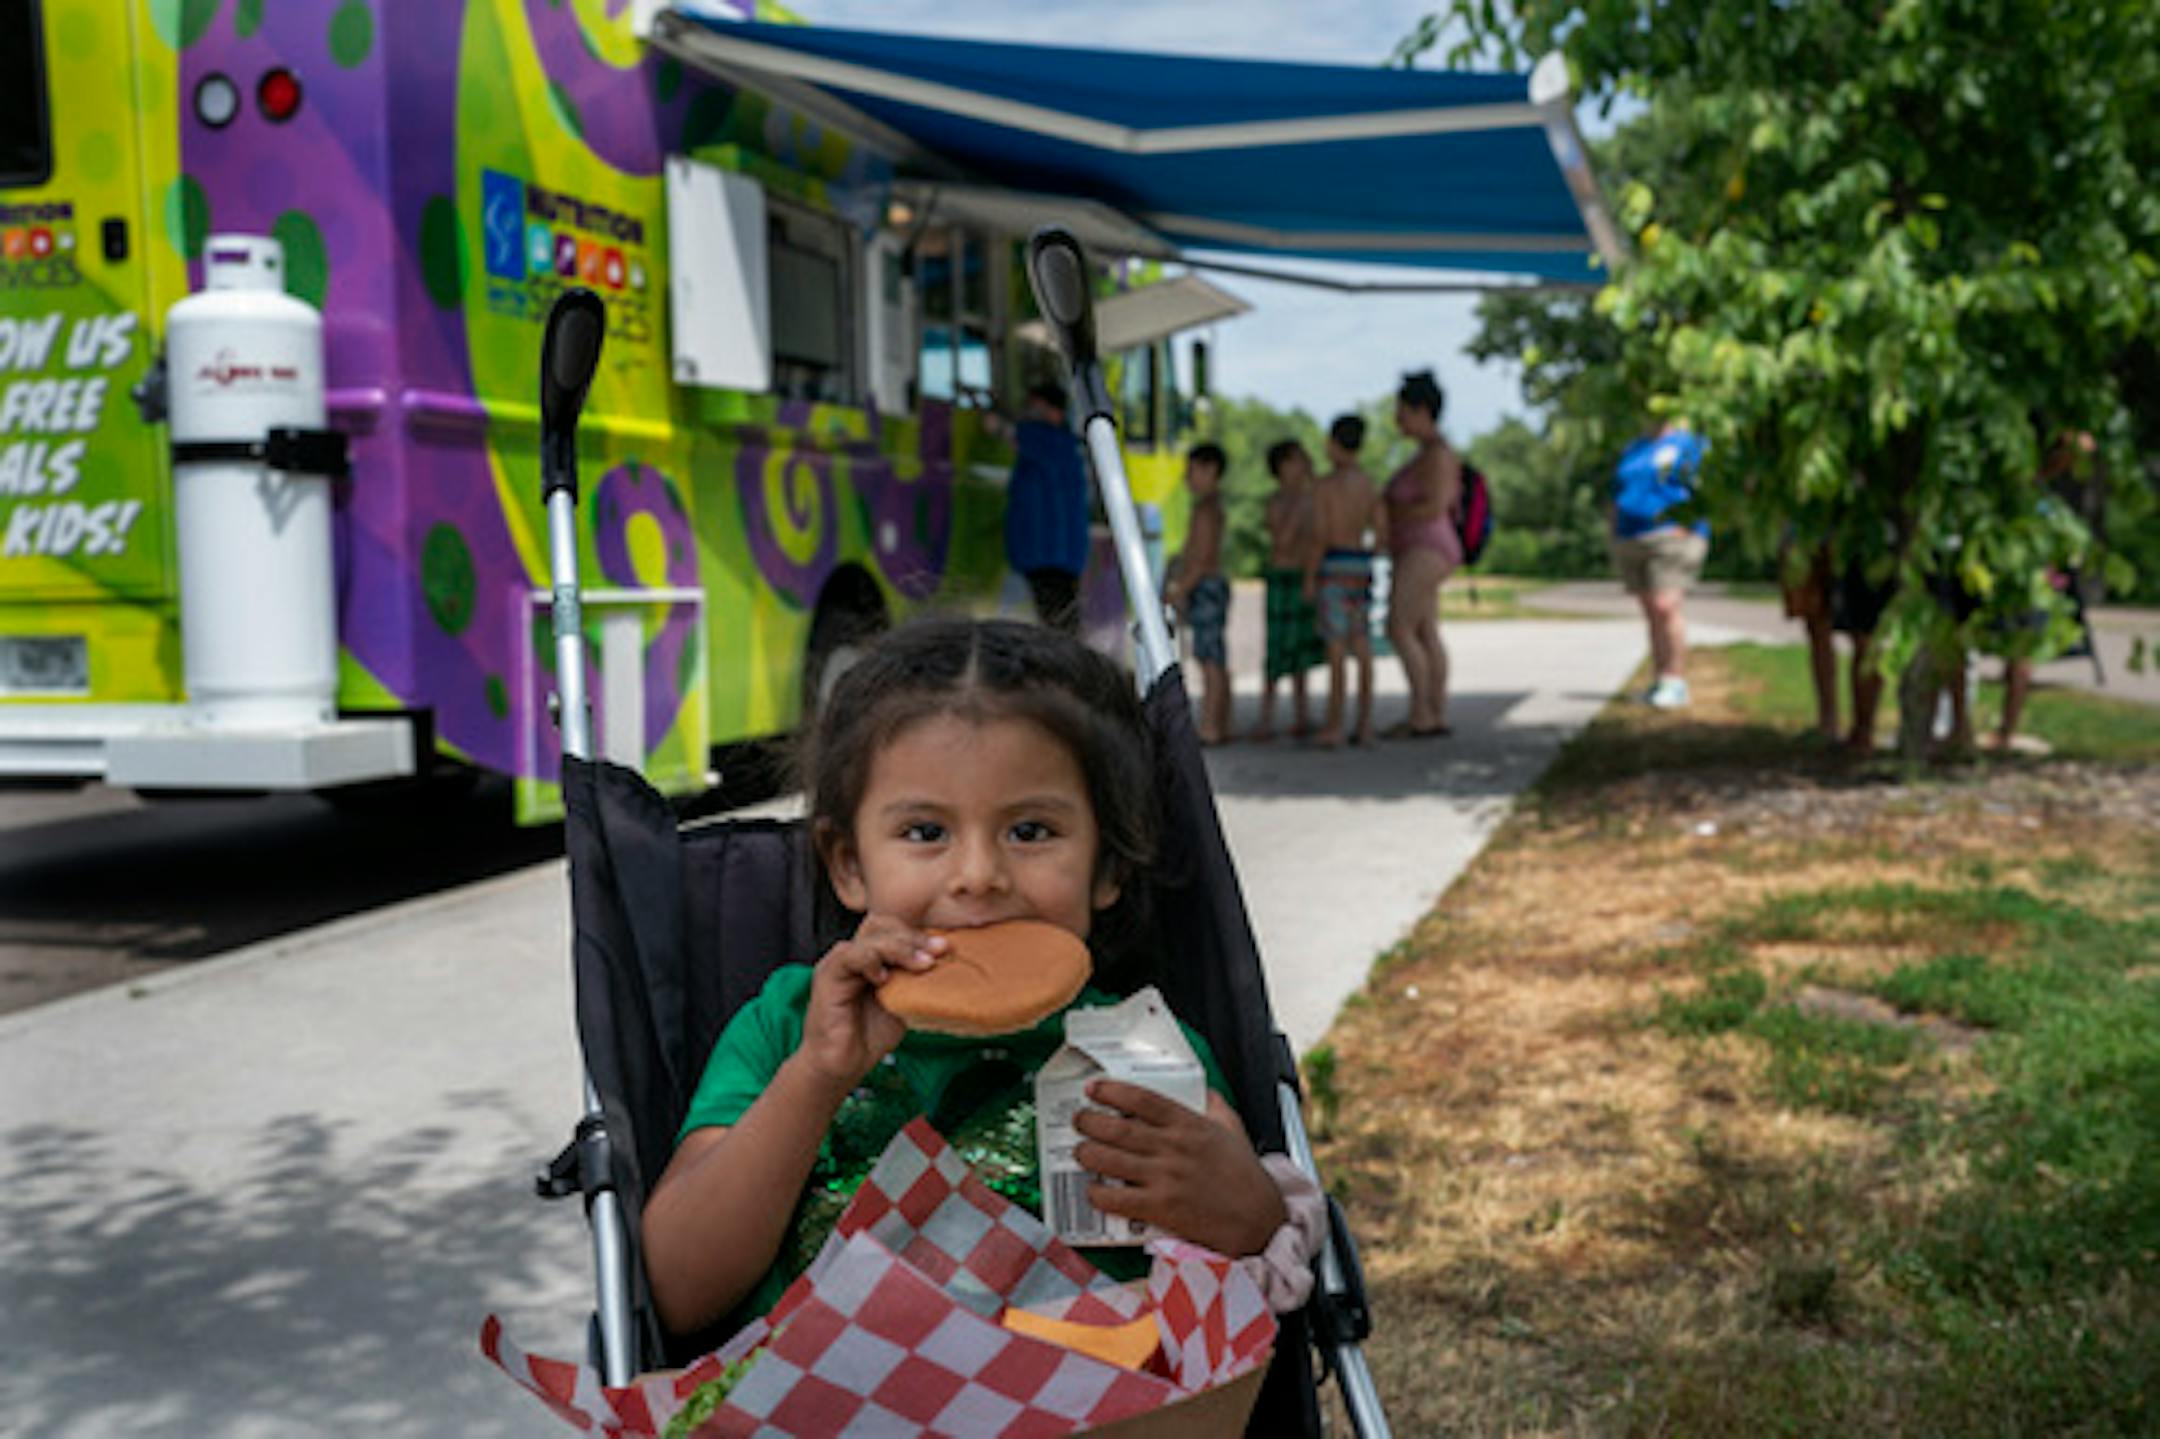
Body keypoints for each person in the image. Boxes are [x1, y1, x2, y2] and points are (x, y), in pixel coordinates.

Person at [640, 619, 1319, 1338]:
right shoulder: (784, 1028)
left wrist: (1249, 1211)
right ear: (847, 863)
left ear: (1108, 868)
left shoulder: (1145, 1049)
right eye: (925, 832)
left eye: (1030, 831)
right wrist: (814, 1077)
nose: (978, 877)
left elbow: (1244, 1264)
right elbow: (679, 1290)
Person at [1382, 371, 1462, 738]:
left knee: (1398, 628)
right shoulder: (1425, 454)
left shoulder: (1438, 455)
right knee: (1425, 630)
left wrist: (1388, 512)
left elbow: (1434, 507)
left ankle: (1423, 714)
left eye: (1402, 410)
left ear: (1421, 410)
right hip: (1419, 548)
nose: (1397, 418)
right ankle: (1433, 712)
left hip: (1427, 547)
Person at [1610, 419, 1710, 709]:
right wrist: (1614, 532)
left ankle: (1675, 681)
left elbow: (1707, 489)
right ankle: (1660, 679)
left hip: (1672, 536)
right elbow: (1618, 491)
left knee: (1666, 606)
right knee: (1652, 612)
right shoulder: (1635, 447)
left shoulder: (1689, 443)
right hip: (1631, 537)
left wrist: (1690, 527)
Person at [1307, 414, 1387, 748]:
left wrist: (1310, 576)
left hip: (1334, 565)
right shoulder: (1368, 484)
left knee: (1336, 649)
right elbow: (1383, 533)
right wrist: (1367, 555)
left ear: (1334, 444)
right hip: (1360, 565)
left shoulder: (1325, 486)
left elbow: (1320, 534)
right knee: (1363, 645)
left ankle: (1335, 725)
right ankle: (1365, 725)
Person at [1001, 380, 1090, 633]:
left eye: (1035, 409)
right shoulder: (1064, 445)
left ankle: (1069, 670)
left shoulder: (1049, 441)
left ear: (1055, 412)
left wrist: (1000, 423)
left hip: (1049, 556)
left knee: (1057, 622)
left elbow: (1011, 433)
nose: (1029, 415)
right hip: (1054, 557)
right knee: (1059, 619)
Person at [1251, 439, 1323, 742]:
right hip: (1280, 578)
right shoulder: (1278, 502)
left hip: (1301, 577)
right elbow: (1282, 539)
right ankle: (1266, 720)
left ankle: (1301, 715)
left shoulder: (1311, 500)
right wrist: (1298, 500)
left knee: (1300, 652)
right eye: (1295, 461)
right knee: (1276, 648)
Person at [1167, 443, 1232, 745]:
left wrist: (1180, 588)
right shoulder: (1210, 508)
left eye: (1191, 471)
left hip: (1205, 586)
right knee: (1213, 657)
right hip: (1208, 585)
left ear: (1210, 471)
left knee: (1209, 659)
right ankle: (1220, 722)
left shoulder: (1207, 511)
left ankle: (1210, 726)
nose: (1187, 479)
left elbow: (1202, 559)